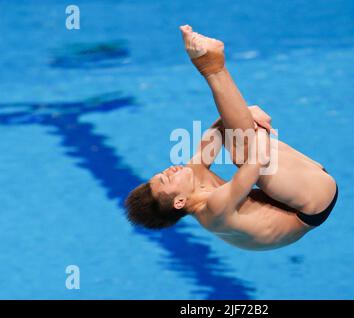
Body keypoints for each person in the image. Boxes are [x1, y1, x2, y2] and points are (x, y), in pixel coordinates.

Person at [125, 25, 338, 251]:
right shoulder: (213, 211)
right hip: (312, 204)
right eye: (167, 180)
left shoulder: (193, 181)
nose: (169, 170)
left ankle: (212, 65)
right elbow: (259, 158)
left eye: (160, 174)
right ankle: (210, 65)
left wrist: (249, 111)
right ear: (179, 202)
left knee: (233, 137)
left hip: (297, 190)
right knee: (242, 151)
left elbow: (216, 133)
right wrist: (260, 126)